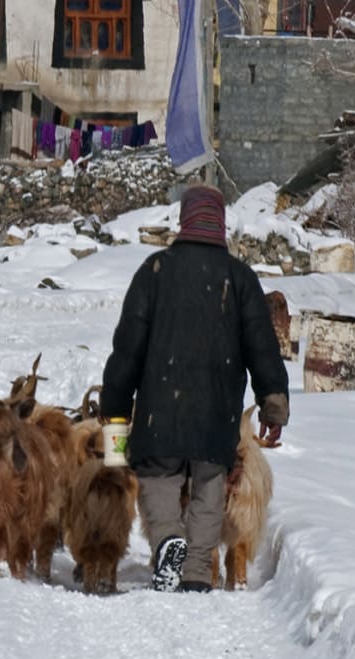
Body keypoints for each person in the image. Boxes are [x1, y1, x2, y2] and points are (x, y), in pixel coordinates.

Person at [99, 184, 289, 593]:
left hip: (159, 407)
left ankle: (168, 539)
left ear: (184, 221)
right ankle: (198, 570)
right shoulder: (239, 278)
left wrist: (114, 403)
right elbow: (263, 347)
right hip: (216, 410)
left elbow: (128, 345)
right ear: (220, 224)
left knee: (159, 477)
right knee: (209, 482)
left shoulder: (154, 271)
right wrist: (273, 407)